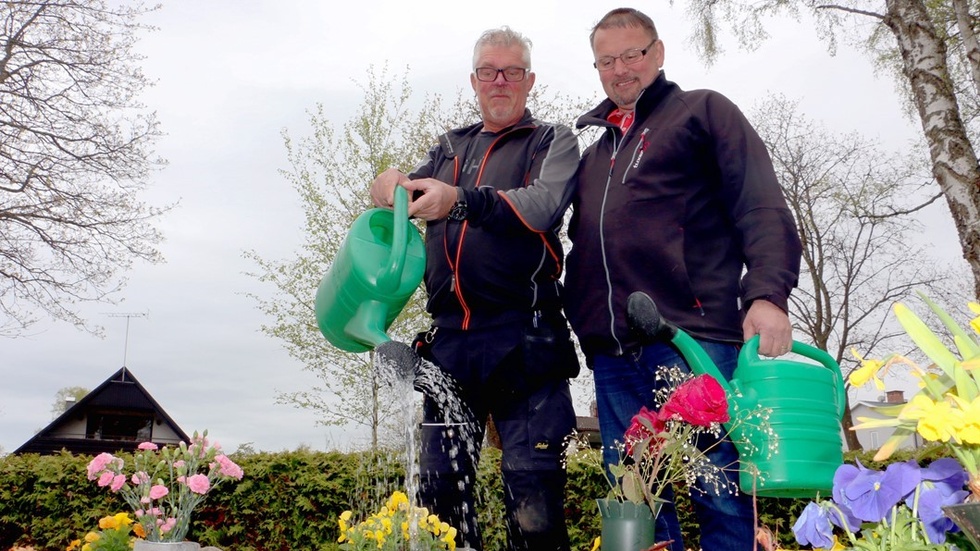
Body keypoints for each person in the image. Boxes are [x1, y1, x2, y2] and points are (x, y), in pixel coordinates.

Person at [563, 8, 803, 551]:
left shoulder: (703, 112)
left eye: (633, 54)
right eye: (607, 60)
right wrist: (582, 320)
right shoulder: (594, 156)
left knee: (716, 485)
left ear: (659, 52)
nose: (621, 69)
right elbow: (584, 247)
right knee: (636, 497)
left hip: (693, 340)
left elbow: (760, 203)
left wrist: (767, 295)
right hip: (615, 355)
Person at [369, 26, 580, 551]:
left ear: (530, 81)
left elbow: (541, 206)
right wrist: (387, 183)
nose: (500, 81)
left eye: (512, 72)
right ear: (474, 80)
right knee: (439, 494)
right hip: (451, 342)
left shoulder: (552, 140)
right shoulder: (448, 147)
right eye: (489, 71)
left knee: (531, 491)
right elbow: (405, 197)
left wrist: (461, 200)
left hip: (525, 338)